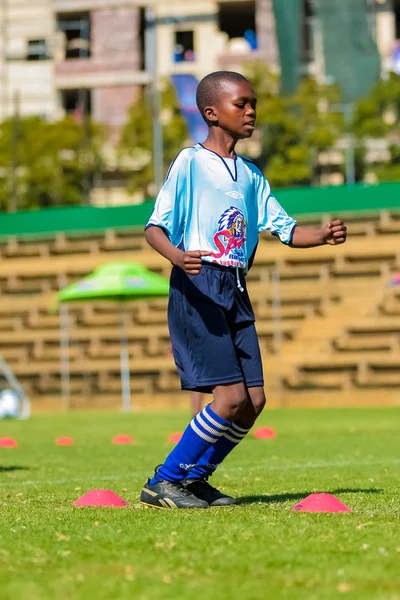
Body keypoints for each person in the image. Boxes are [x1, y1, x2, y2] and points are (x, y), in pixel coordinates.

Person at [140, 71, 347, 509]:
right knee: (230, 397)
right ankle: (164, 480)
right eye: (242, 104)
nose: (251, 111)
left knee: (253, 400)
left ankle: (194, 480)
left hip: (235, 287)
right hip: (198, 286)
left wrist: (322, 235)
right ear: (212, 113)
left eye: (254, 103)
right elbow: (155, 227)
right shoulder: (190, 162)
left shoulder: (251, 175)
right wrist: (178, 257)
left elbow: (286, 229)